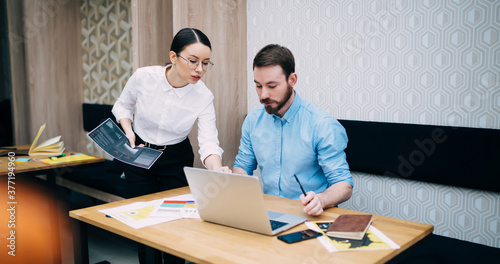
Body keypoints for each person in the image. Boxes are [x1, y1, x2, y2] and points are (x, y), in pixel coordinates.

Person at [112, 28, 229, 264]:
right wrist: (128, 131)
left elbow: (208, 143)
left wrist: (216, 170)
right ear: (173, 57)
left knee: (177, 228)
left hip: (176, 159)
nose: (200, 70)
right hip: (140, 154)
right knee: (143, 228)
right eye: (193, 61)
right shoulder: (144, 77)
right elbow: (122, 106)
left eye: (206, 63)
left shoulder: (203, 96)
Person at [232, 44, 353, 216]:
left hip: (309, 217)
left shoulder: (322, 125)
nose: (263, 95)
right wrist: (235, 181)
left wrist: (321, 199)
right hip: (268, 215)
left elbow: (344, 185)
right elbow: (242, 166)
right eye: (258, 86)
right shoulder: (253, 120)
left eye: (272, 86)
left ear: (292, 80)